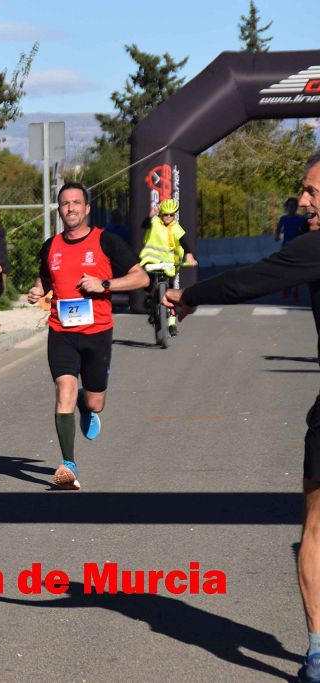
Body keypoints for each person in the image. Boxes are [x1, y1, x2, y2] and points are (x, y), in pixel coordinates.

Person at [166, 152, 320, 683]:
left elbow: (247, 282)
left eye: (312, 192)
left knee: (316, 533)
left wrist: (187, 295)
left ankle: (319, 655)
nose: (302, 202)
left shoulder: (316, 247)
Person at [26, 182, 148, 490]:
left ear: (87, 208)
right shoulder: (50, 246)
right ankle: (68, 465)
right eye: (65, 203)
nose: (71, 208)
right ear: (59, 209)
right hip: (61, 332)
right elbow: (46, 279)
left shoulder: (107, 242)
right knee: (63, 388)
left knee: (95, 403)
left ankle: (86, 404)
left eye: (76, 202)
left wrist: (104, 284)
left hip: (97, 333)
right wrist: (38, 291)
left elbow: (141, 277)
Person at [139, 198, 197, 336]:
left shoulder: (176, 227)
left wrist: (189, 254)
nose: (169, 217)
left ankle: (171, 324)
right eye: (166, 214)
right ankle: (151, 302)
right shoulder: (155, 222)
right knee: (148, 283)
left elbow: (184, 241)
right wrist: (150, 215)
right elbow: (144, 225)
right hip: (151, 261)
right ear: (161, 214)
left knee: (171, 293)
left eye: (172, 215)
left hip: (169, 265)